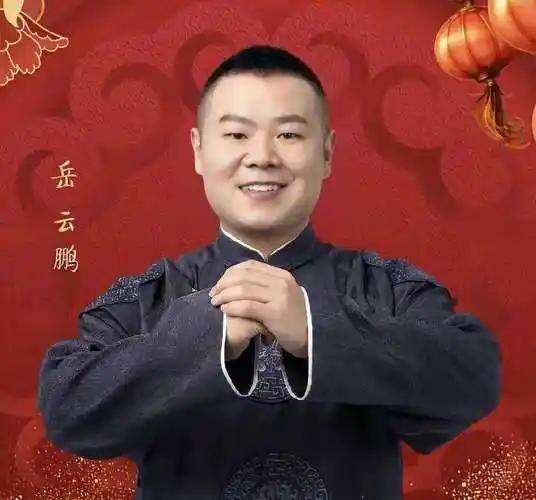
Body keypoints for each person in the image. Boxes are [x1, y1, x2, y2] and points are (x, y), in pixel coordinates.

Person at [37, 44, 502, 499]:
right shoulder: (148, 297)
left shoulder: (386, 287)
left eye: (289, 135)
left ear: (327, 153)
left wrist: (314, 331)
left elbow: (475, 375)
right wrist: (208, 335)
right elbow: (66, 407)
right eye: (237, 135)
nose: (262, 157)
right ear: (198, 150)